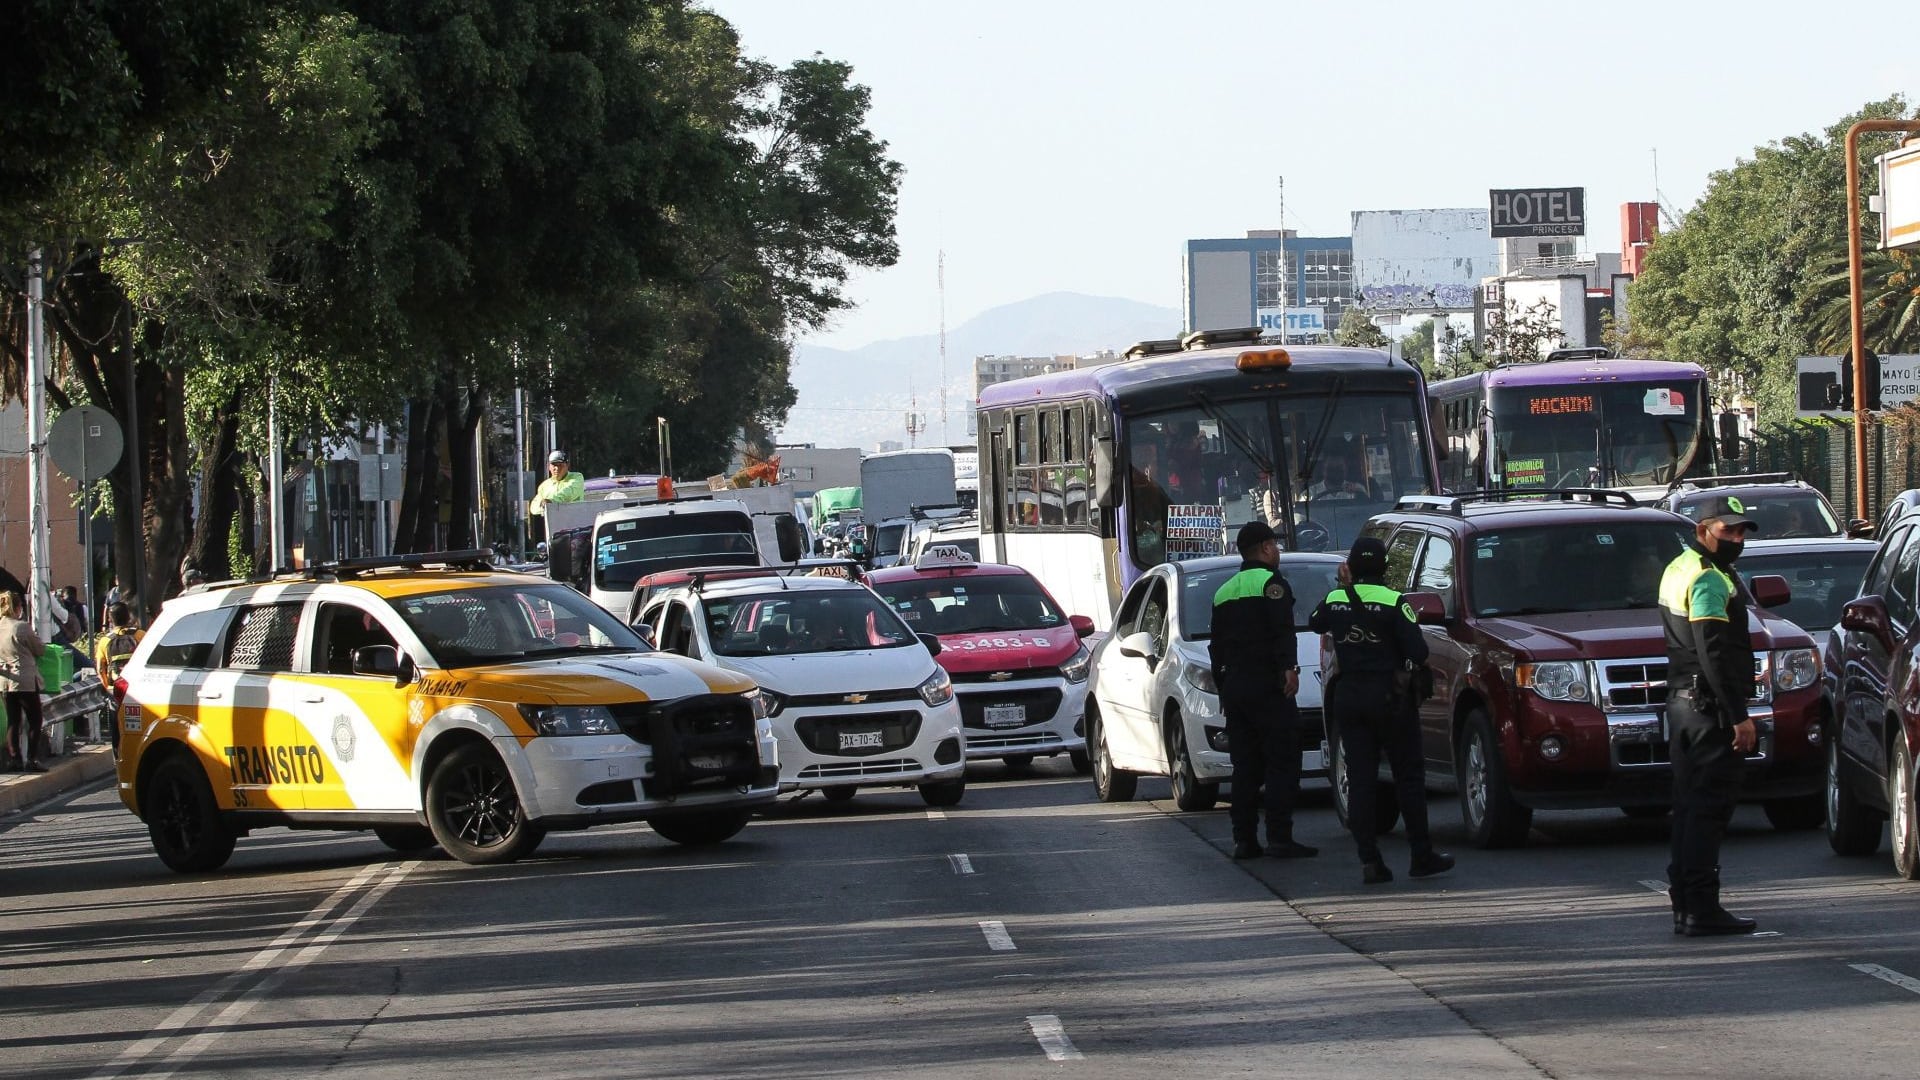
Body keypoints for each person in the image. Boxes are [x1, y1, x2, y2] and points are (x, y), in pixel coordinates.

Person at [1310, 537, 1453, 885]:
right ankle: (1421, 855)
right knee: (1408, 777)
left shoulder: (1336, 599)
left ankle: (1370, 860)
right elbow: (1418, 652)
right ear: (1385, 568)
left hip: (1349, 696)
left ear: (1351, 567)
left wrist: (1343, 587)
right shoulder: (1394, 601)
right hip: (1390, 698)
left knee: (1361, 779)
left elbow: (1315, 622)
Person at [1658, 494, 1761, 937]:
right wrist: (1738, 715)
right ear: (1703, 530)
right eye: (1727, 530)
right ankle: (1701, 907)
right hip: (1708, 709)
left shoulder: (1679, 566)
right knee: (1708, 809)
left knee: (1688, 807)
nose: (1737, 539)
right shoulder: (1708, 577)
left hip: (1683, 704)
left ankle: (1685, 904)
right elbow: (1713, 651)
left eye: (1741, 531)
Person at [1209, 520, 1315, 861]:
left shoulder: (1223, 591)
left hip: (1236, 688)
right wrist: (1289, 668)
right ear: (1266, 548)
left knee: (1245, 766)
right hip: (1268, 686)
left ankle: (1244, 840)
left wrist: (1224, 689)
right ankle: (1280, 837)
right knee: (1282, 760)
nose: (1278, 551)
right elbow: (1282, 629)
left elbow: (1216, 647)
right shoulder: (1272, 583)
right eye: (1275, 545)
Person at [0, 591, 49, 773]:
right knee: (35, 720)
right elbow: (40, 649)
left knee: (13, 721)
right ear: (18, 607)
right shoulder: (21, 627)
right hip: (25, 679)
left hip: (5, 680)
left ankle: (15, 760)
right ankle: (32, 759)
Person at [93, 602, 145, 746]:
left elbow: (100, 669)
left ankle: (117, 752)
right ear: (128, 617)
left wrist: (107, 688)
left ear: (110, 620)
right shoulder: (140, 635)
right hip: (138, 687)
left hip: (116, 690)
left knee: (116, 726)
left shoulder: (105, 641)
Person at [528, 450, 585, 518]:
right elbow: (534, 508)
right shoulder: (544, 485)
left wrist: (551, 501)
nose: (557, 468)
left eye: (560, 465)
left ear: (567, 465)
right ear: (549, 467)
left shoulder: (577, 477)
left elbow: (568, 493)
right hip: (553, 522)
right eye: (554, 465)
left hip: (575, 521)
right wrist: (543, 507)